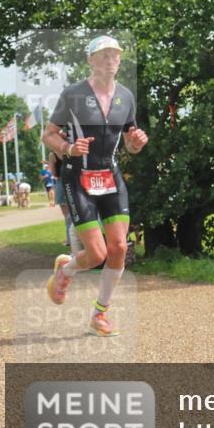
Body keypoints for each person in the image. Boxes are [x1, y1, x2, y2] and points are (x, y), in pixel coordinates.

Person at [42, 35, 148, 337]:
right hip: (79, 179)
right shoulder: (73, 94)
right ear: (90, 60)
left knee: (119, 248)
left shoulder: (126, 96)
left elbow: (130, 143)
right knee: (97, 254)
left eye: (115, 55)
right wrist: (69, 148)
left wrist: (136, 143)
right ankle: (66, 270)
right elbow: (48, 135)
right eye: (103, 55)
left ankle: (100, 314)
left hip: (111, 177)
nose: (111, 60)